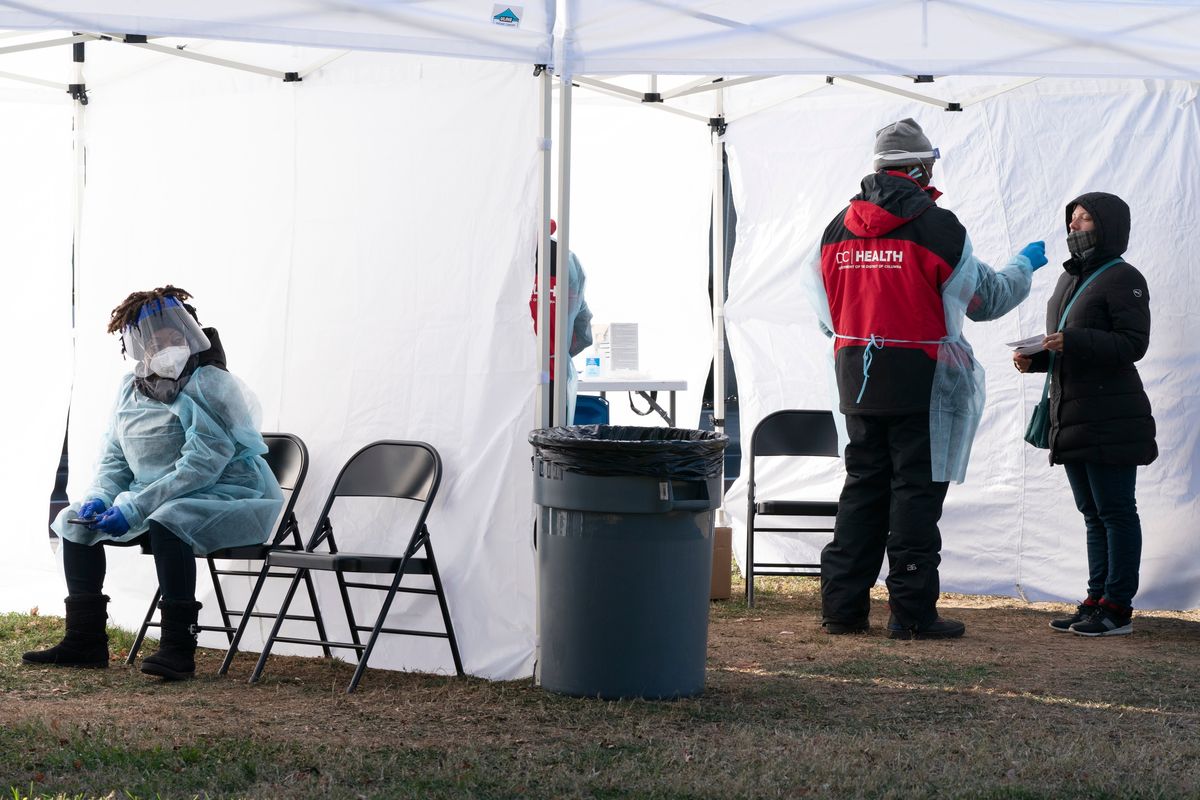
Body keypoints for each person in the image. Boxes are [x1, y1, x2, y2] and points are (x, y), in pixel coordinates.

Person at [802, 118, 1048, 640]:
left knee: (862, 489)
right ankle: (911, 614)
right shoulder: (939, 228)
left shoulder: (836, 228)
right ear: (919, 168)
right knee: (914, 492)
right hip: (924, 383)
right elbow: (987, 301)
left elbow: (826, 314)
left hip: (858, 380)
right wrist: (1023, 265)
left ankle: (842, 610)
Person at [23, 286, 283, 679]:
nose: (164, 346)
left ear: (189, 332)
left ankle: (179, 649)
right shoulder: (131, 389)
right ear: (137, 345)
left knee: (169, 518)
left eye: (173, 336)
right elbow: (115, 457)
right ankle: (84, 641)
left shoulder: (210, 383)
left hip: (224, 495)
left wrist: (135, 507)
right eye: (153, 339)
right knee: (76, 519)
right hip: (153, 497)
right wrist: (100, 497)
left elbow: (202, 464)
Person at [1014, 193, 1155, 637]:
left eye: (1086, 219)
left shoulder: (1123, 278)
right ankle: (1095, 600)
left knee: (1115, 511)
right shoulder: (1069, 279)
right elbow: (1067, 343)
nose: (1075, 227)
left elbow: (1133, 344)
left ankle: (1118, 608)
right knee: (1093, 513)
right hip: (1071, 411)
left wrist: (1071, 343)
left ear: (1108, 225)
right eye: (1072, 219)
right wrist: (1036, 359)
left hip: (1111, 414)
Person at [531, 219, 593, 424]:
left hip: (513, 377)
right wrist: (559, 353)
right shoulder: (567, 260)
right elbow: (583, 329)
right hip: (551, 374)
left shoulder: (510, 259)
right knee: (550, 444)